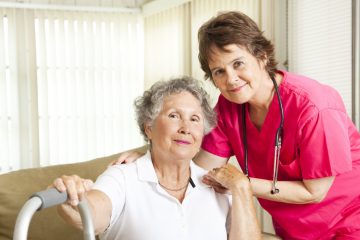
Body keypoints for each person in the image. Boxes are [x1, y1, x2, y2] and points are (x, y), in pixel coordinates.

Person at [115, 11, 360, 240]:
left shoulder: (314, 106)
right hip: (294, 231)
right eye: (219, 71)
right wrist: (154, 156)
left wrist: (242, 184)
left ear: (262, 56)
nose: (231, 79)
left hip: (349, 223)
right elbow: (199, 170)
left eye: (238, 64)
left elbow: (315, 192)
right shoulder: (228, 107)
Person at [50, 77, 261, 240]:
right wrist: (73, 197)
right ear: (149, 128)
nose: (186, 128)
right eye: (173, 116)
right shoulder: (122, 176)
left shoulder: (217, 185)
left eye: (194, 119)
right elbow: (92, 216)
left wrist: (241, 187)